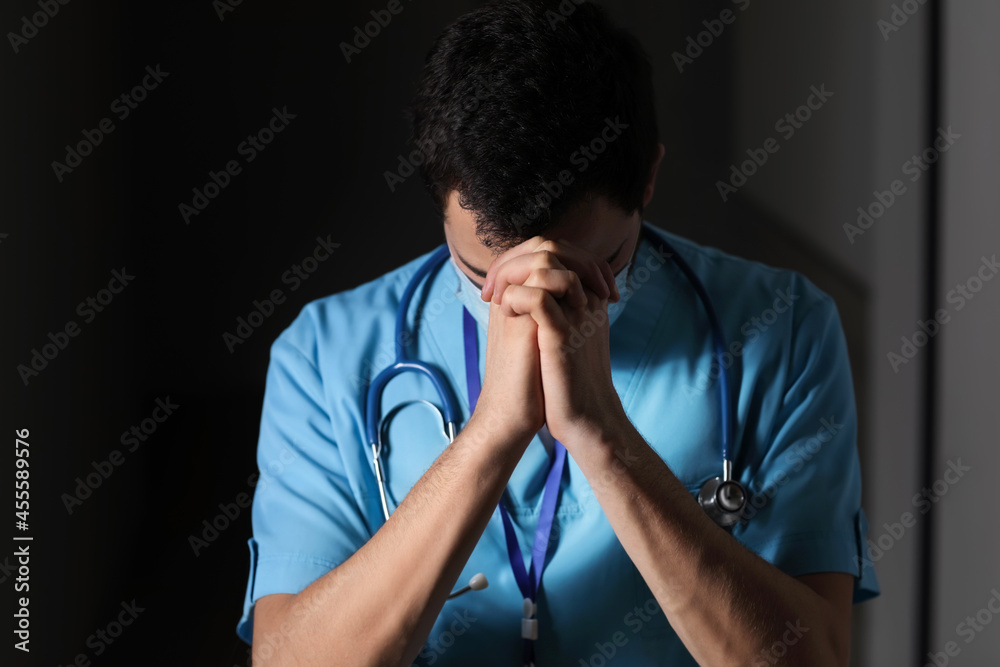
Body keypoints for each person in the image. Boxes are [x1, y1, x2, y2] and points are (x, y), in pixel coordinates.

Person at [235, 1, 880, 664]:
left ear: (650, 175)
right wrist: (491, 436)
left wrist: (604, 437)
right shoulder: (324, 354)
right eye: (484, 274)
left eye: (590, 269)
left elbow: (817, 658)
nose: (536, 302)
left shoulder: (786, 328)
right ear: (436, 198)